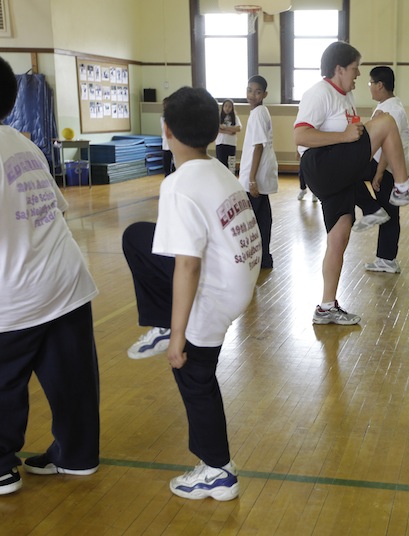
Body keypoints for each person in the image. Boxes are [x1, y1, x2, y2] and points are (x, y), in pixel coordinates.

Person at [0, 52, 100, 495]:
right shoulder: (23, 143)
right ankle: (77, 455)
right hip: (66, 280)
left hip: (13, 290)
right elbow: (47, 211)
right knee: (70, 376)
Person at [122, 86, 260, 501]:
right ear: (215, 133)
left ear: (166, 131)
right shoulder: (217, 168)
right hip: (237, 281)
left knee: (192, 374)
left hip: (215, 290)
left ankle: (218, 471)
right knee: (138, 237)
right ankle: (166, 325)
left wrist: (178, 335)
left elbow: (188, 265)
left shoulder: (179, 185)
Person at [294, 41, 409, 325]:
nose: (358, 75)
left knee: (339, 237)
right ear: (339, 69)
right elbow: (301, 138)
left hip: (337, 170)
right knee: (384, 122)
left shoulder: (345, 96)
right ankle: (402, 187)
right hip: (321, 165)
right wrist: (345, 136)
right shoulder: (319, 93)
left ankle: (326, 307)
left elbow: (353, 134)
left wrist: (351, 136)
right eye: (355, 69)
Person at [354, 66, 409, 273]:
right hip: (387, 167)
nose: (369, 88)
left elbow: (388, 145)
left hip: (387, 168)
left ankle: (371, 210)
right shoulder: (389, 105)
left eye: (370, 84)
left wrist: (378, 172)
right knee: (389, 212)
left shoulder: (390, 109)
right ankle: (386, 259)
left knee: (345, 176)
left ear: (380, 85)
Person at [239, 75, 278, 269]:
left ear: (264, 94)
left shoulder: (258, 113)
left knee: (250, 217)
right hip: (259, 172)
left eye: (257, 91)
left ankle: (252, 258)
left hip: (256, 173)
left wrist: (252, 178)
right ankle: (264, 258)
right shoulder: (260, 112)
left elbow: (258, 147)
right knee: (263, 216)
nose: (252, 95)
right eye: (249, 90)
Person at [215, 99, 241, 171]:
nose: (227, 108)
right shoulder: (219, 117)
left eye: (229, 106)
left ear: (232, 108)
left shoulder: (235, 118)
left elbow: (238, 128)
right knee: (221, 164)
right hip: (220, 143)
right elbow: (216, 128)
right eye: (225, 106)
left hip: (231, 144)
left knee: (231, 165)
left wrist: (225, 128)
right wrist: (228, 132)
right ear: (223, 107)